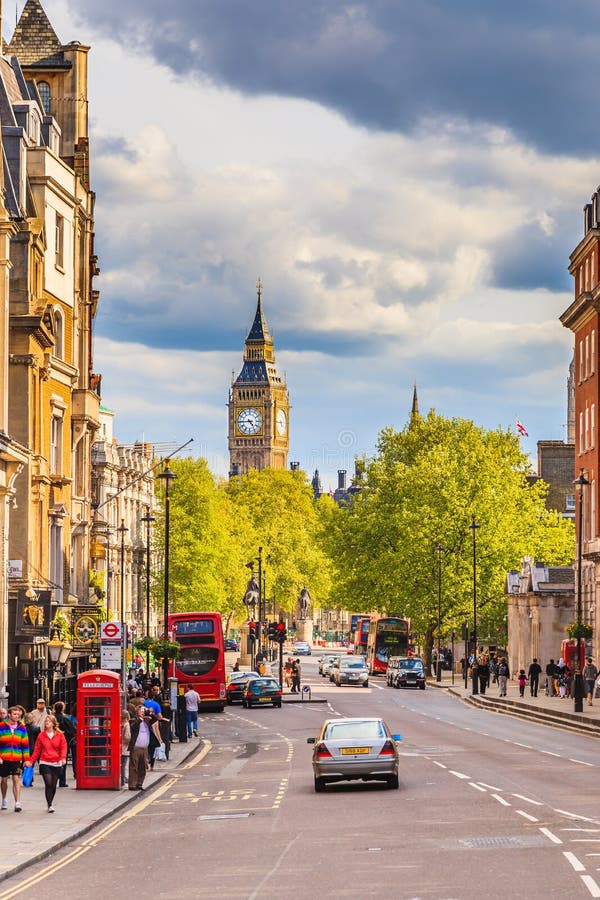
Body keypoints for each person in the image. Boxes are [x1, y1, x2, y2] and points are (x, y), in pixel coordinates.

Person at [25, 715, 67, 813]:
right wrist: (31, 761)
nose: (47, 722)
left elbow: (63, 747)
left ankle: (50, 802)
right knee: (48, 783)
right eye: (46, 721)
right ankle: (50, 805)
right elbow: (37, 750)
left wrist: (63, 758)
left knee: (53, 785)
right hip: (45, 762)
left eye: (49, 721)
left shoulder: (60, 735)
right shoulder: (41, 735)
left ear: (53, 723)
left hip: (56, 762)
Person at [0, 706, 29, 812]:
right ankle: (4, 799)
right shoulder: (1, 726)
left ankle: (17, 803)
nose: (17, 716)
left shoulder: (22, 728)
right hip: (4, 758)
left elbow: (25, 745)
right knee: (3, 780)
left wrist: (26, 759)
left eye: (18, 715)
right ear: (9, 715)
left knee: (16, 779)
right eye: (15, 714)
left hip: (16, 758)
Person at [128, 705, 161, 791]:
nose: (142, 712)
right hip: (136, 747)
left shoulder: (147, 720)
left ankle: (139, 784)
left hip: (145, 748)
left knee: (143, 767)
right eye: (141, 710)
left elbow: (155, 719)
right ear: (137, 711)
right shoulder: (134, 719)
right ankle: (132, 785)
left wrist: (149, 712)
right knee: (134, 767)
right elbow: (133, 726)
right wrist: (140, 718)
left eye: (143, 710)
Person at [53, 701, 76, 787]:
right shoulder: (65, 719)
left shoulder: (52, 718)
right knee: (63, 761)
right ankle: (62, 781)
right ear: (62, 709)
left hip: (53, 742)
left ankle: (53, 779)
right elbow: (72, 731)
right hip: (64, 742)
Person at [120, 710, 131, 787]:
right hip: (125, 748)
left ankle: (122, 779)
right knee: (123, 766)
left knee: (122, 766)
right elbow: (127, 737)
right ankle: (123, 781)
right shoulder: (127, 725)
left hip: (120, 747)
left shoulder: (121, 724)